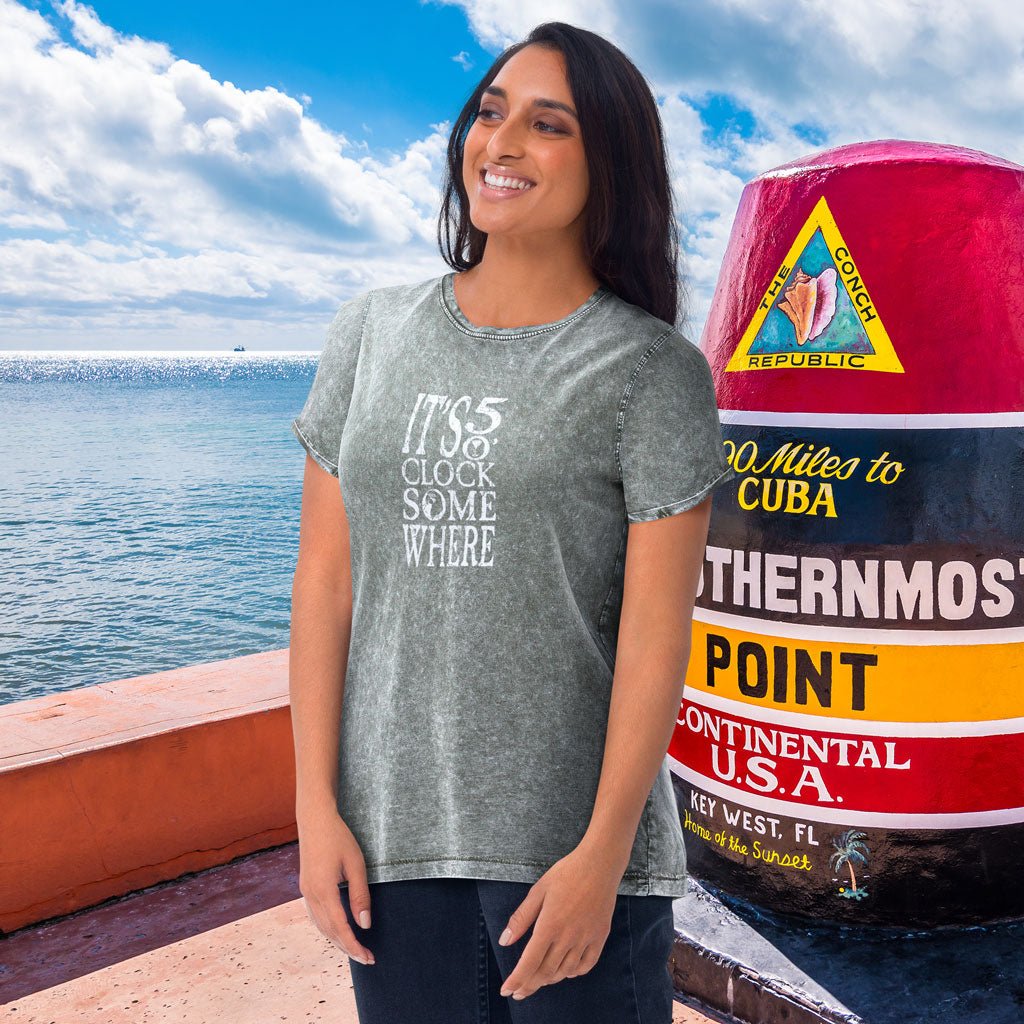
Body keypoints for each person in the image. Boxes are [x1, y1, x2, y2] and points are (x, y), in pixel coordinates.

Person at [288, 20, 737, 1024]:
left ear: (608, 164)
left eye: (548, 124)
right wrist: (315, 811)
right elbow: (327, 582)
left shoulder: (650, 373)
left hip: (571, 864)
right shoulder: (368, 331)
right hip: (390, 848)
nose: (501, 142)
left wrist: (603, 858)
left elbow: (656, 631)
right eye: (489, 113)